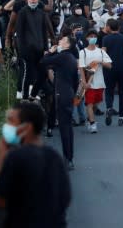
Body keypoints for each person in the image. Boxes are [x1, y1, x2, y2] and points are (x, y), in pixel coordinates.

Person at [0, 101, 71, 227]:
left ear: (27, 127)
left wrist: (2, 153)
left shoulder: (15, 157)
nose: (7, 126)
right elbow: (65, 198)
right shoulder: (55, 157)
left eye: (11, 121)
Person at [41, 36, 79, 170]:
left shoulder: (62, 56)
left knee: (64, 127)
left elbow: (43, 62)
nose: (59, 42)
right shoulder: (72, 58)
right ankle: (70, 157)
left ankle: (67, 159)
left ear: (67, 44)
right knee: (68, 126)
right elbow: (76, 81)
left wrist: (51, 51)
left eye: (62, 40)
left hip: (61, 93)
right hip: (69, 92)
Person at [15, 0, 55, 99]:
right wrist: (21, 50)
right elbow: (19, 33)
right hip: (27, 50)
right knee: (27, 73)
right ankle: (23, 95)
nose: (33, 0)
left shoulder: (41, 13)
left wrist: (46, 48)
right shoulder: (22, 12)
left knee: (41, 73)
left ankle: (33, 94)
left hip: (40, 49)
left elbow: (44, 32)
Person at [78, 29, 112, 134]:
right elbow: (81, 67)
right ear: (87, 38)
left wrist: (100, 62)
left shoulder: (101, 51)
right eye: (90, 36)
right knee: (89, 104)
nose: (93, 38)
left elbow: (110, 65)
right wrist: (84, 82)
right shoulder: (83, 52)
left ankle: (89, 119)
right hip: (89, 83)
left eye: (94, 36)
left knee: (96, 103)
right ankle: (93, 124)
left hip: (100, 82)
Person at [101, 18, 123, 126]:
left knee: (109, 90)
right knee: (122, 91)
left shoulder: (105, 39)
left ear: (109, 27)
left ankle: (109, 108)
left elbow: (103, 54)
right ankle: (121, 117)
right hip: (122, 66)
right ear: (118, 27)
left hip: (109, 67)